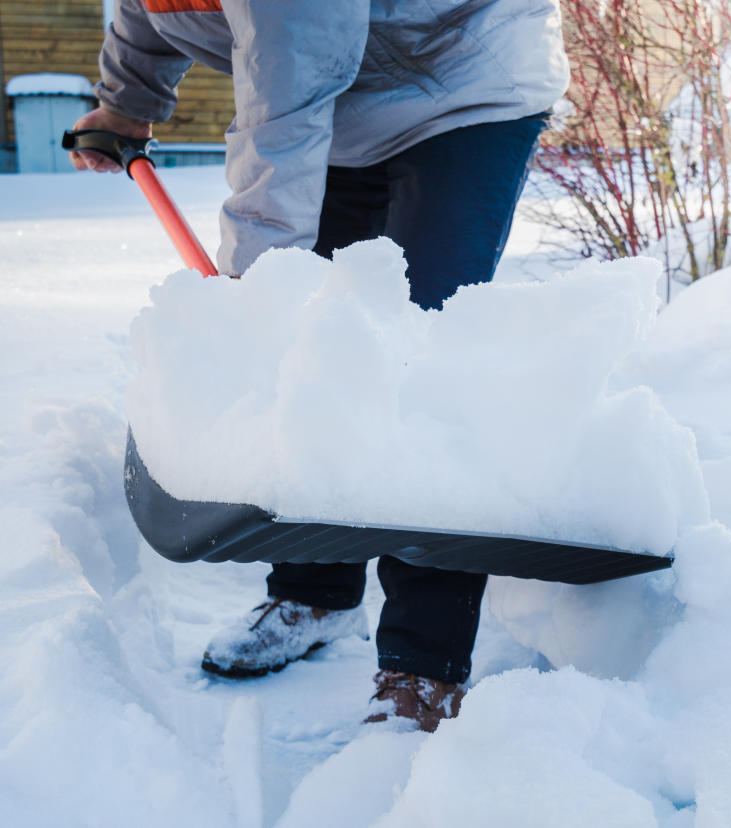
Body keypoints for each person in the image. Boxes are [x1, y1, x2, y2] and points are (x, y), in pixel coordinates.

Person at [71, 0, 569, 732]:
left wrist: (253, 288)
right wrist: (125, 101)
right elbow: (153, 9)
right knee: (310, 341)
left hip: (461, 82)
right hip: (336, 101)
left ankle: (423, 664)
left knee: (416, 354)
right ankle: (315, 592)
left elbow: (291, 77)